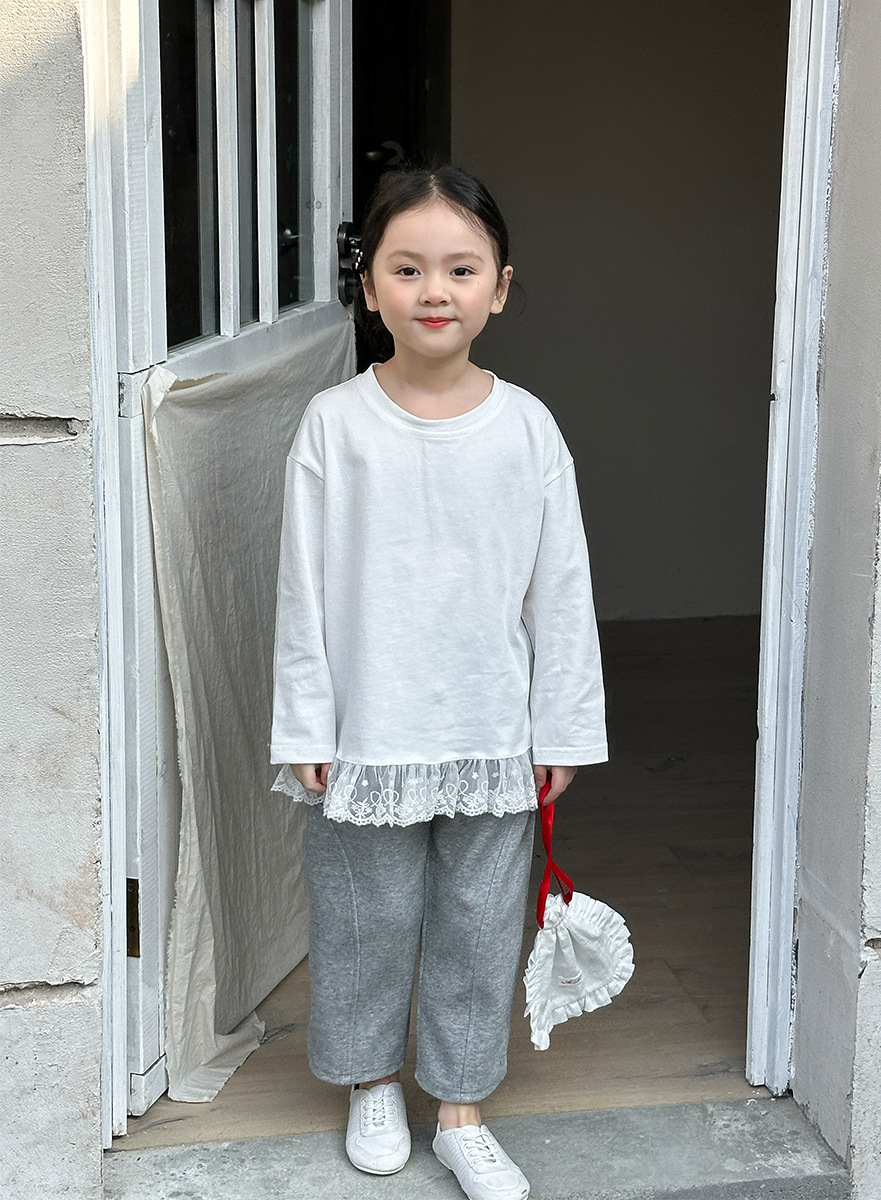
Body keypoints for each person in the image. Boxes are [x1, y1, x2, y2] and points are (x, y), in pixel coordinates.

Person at [270, 164, 607, 1200]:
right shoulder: (335, 424)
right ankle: (372, 1082)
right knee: (363, 920)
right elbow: (302, 587)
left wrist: (562, 729)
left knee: (479, 924)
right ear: (370, 286)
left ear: (499, 287)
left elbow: (561, 590)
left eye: (461, 269)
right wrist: (306, 724)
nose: (434, 291)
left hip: (490, 726)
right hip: (367, 731)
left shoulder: (528, 427)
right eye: (407, 268)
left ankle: (460, 1110)